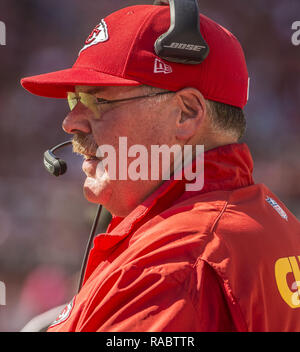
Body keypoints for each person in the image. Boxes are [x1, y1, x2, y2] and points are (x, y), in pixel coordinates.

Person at [21, 3, 300, 332]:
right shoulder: (268, 219)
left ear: (185, 113)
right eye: (75, 99)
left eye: (98, 100)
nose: (70, 122)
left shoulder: (174, 265)